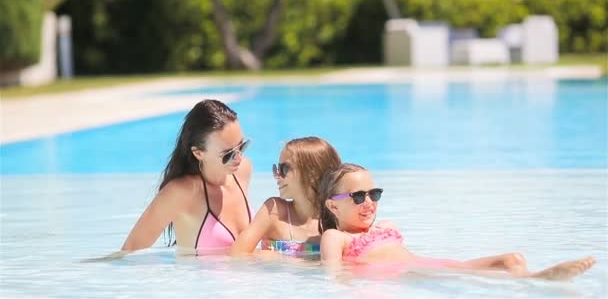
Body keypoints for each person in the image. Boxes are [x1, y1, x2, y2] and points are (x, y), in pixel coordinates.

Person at [318, 163, 596, 281]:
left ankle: (530, 279)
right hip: (406, 276)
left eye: (374, 194)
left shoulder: (387, 227)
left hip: (429, 266)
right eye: (357, 196)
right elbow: (333, 275)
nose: (368, 202)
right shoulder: (337, 237)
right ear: (333, 205)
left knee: (512, 258)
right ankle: (539, 280)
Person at [121, 99, 253, 255]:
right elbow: (129, 253)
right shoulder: (182, 193)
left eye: (242, 146)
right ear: (198, 153)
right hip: (198, 278)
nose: (238, 158)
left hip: (247, 278)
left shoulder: (243, 170)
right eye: (228, 154)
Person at [230, 137, 341, 257]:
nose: (277, 175)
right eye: (276, 169)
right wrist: (286, 259)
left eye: (284, 169)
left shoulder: (338, 217)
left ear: (312, 173)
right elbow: (238, 254)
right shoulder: (275, 211)